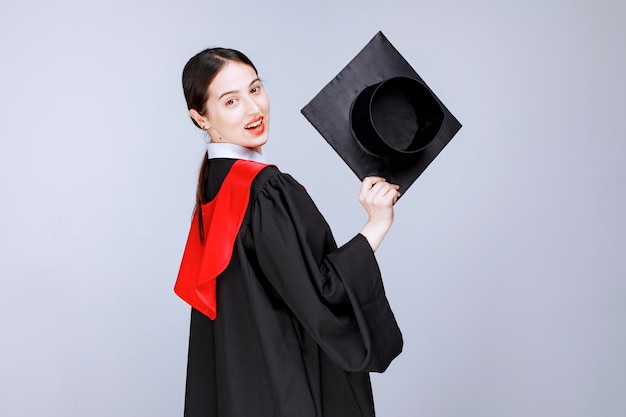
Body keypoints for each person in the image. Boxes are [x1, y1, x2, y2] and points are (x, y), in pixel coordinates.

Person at [175, 47, 403, 417]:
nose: (254, 109)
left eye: (255, 89)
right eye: (231, 101)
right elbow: (322, 295)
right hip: (290, 392)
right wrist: (376, 224)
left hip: (244, 394)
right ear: (201, 117)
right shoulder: (266, 190)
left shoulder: (215, 188)